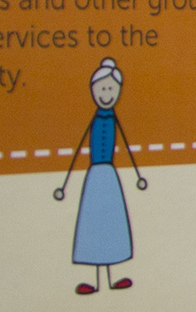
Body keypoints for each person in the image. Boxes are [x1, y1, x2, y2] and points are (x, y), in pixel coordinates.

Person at [52, 58, 147, 297]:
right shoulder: (96, 119)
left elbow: (125, 145)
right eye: (102, 89)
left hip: (108, 175)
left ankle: (113, 277)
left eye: (111, 89)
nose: (107, 94)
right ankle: (94, 280)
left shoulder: (113, 119)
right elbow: (78, 150)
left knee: (111, 222)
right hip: (96, 174)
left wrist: (138, 174)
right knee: (95, 223)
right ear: (94, 90)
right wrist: (65, 182)